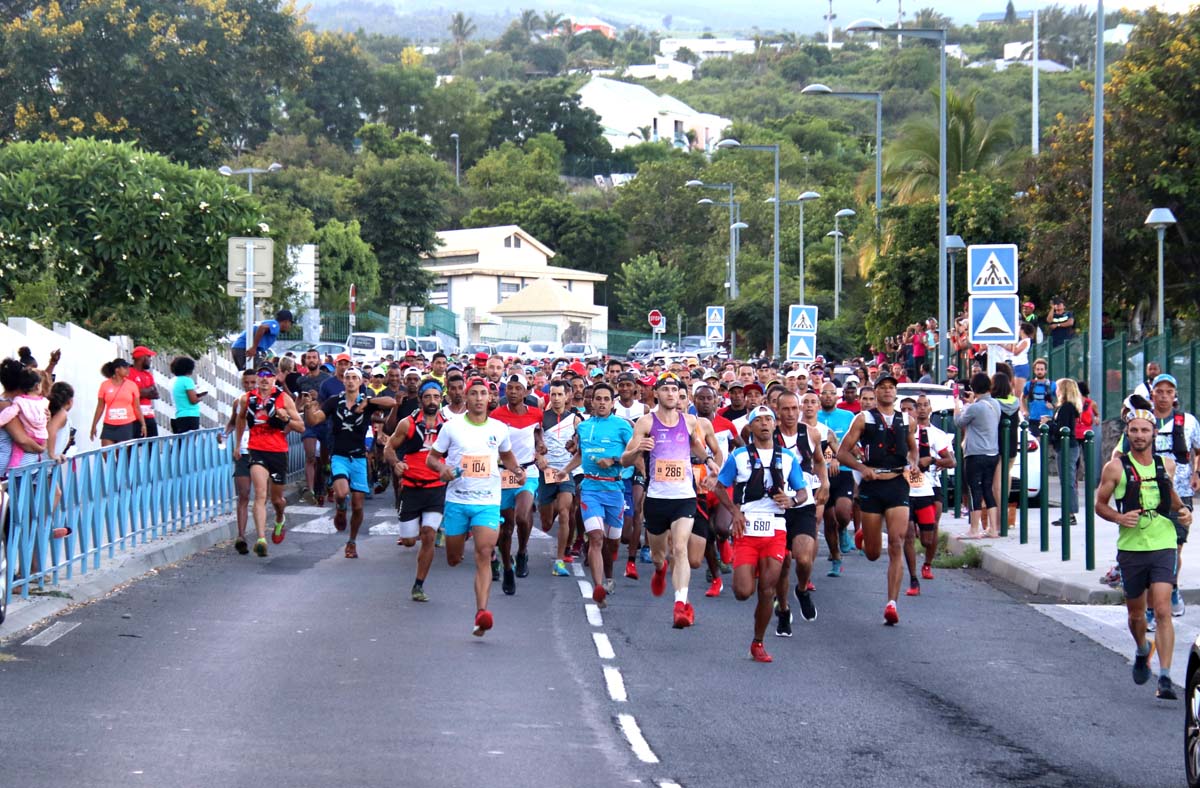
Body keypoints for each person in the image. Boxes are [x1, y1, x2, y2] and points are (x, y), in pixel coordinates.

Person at [1094, 407, 1193, 700]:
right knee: (1136, 615)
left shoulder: (1166, 465)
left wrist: (1184, 511)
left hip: (1163, 544)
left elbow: (1171, 497)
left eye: (1145, 430)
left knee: (1162, 609)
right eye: (1134, 430)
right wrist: (1119, 518)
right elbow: (1100, 503)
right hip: (1132, 548)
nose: (1139, 435)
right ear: (1128, 432)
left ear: (1154, 434)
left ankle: (1164, 677)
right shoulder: (1115, 467)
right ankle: (1141, 648)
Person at [708, 406, 809, 663]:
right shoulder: (739, 456)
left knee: (766, 590)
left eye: (768, 420)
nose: (765, 424)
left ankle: (758, 642)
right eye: (759, 420)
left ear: (774, 426)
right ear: (750, 428)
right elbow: (720, 487)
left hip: (775, 528)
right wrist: (734, 512)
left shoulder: (787, 458)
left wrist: (792, 501)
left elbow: (802, 493)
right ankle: (750, 570)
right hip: (747, 527)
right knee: (743, 592)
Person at [427, 377, 525, 637]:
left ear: (490, 399)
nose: (479, 398)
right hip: (458, 501)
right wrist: (442, 468)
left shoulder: (499, 428)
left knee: (484, 552)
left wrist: (516, 469)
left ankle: (482, 612)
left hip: (487, 502)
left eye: (484, 393)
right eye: (474, 394)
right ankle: (462, 541)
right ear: (466, 398)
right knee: (454, 558)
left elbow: (506, 454)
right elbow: (432, 458)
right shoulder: (451, 427)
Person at [621, 374, 717, 629]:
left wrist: (708, 461)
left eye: (675, 390)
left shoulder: (689, 421)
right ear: (656, 394)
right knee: (658, 555)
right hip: (657, 498)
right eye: (666, 390)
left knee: (680, 548)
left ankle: (679, 604)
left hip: (684, 497)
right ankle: (660, 569)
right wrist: (638, 448)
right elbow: (624, 460)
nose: (672, 394)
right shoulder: (645, 422)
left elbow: (696, 446)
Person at [1113, 374, 1200, 621]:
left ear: (1175, 397)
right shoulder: (1141, 422)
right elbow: (1119, 452)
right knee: (1152, 551)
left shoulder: (1188, 422)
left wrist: (1197, 473)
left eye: (1168, 392)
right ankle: (1152, 606)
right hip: (1144, 493)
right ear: (1152, 395)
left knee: (1175, 547)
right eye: (1159, 391)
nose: (1163, 396)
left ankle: (1170, 587)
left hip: (1179, 490)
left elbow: (1198, 449)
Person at [838, 374, 919, 625]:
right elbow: (841, 452)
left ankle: (891, 603)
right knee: (873, 553)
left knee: (897, 541)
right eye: (882, 388)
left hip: (897, 483)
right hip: (872, 485)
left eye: (891, 388)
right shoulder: (863, 419)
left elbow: (912, 447)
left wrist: (914, 464)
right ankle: (865, 536)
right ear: (875, 392)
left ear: (896, 393)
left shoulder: (907, 420)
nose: (887, 392)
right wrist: (862, 469)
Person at [302, 366, 396, 558]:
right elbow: (314, 420)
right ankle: (340, 508)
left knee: (358, 505)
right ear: (343, 381)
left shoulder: (366, 402)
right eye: (348, 378)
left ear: (361, 382)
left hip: (359, 457)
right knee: (342, 492)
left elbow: (392, 402)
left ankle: (351, 541)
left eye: (355, 378)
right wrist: (307, 407)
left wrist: (369, 401)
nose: (351, 381)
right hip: (339, 455)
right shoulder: (334, 401)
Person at [566, 382, 633, 608]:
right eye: (598, 399)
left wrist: (613, 461)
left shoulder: (622, 426)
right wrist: (564, 471)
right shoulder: (584, 428)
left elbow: (633, 456)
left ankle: (609, 575)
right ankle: (598, 587)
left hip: (615, 490)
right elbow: (580, 455)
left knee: (612, 543)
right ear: (592, 402)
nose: (602, 403)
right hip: (590, 489)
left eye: (606, 399)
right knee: (596, 537)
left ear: (612, 403)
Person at [384, 380, 447, 600]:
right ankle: (417, 526)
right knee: (410, 541)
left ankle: (418, 585)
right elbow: (389, 448)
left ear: (441, 399)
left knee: (428, 536)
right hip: (411, 489)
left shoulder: (447, 426)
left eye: (436, 397)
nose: (432, 401)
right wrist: (396, 464)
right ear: (420, 399)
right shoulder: (407, 424)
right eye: (428, 397)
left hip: (436, 489)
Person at [233, 363, 304, 556]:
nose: (264, 378)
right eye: (261, 374)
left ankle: (280, 518)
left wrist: (285, 418)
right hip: (256, 449)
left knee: (277, 499)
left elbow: (301, 427)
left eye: (268, 375)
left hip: (278, 451)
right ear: (257, 378)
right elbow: (240, 419)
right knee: (260, 494)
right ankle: (261, 539)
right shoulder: (247, 399)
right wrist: (238, 444)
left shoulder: (283, 398)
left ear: (275, 378)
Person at [770, 391, 827, 633]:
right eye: (786, 409)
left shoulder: (811, 433)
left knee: (803, 558)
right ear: (777, 410)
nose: (791, 414)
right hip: (776, 506)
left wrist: (825, 483)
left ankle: (802, 589)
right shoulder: (768, 434)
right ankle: (783, 609)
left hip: (803, 502)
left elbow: (819, 461)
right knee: (783, 564)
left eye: (795, 408)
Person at [490, 373, 545, 595]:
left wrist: (540, 446)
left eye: (517, 388)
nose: (512, 392)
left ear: (525, 392)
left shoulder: (536, 414)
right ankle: (506, 563)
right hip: (502, 472)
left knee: (522, 516)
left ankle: (522, 552)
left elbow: (538, 434)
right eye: (509, 388)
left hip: (527, 471)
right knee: (505, 528)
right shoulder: (496, 415)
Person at [907, 394, 954, 585]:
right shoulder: (906, 433)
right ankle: (912, 576)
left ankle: (927, 563)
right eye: (918, 406)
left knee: (931, 530)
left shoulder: (938, 435)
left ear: (930, 409)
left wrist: (934, 460)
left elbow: (952, 461)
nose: (922, 409)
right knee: (908, 532)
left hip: (932, 485)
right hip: (909, 486)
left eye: (925, 405)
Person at [540, 380, 582, 577]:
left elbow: (580, 446)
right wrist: (539, 457)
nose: (556, 399)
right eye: (553, 394)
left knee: (566, 513)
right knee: (547, 523)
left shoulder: (575, 420)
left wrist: (574, 447)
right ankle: (554, 506)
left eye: (560, 395)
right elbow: (534, 443)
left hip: (565, 472)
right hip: (546, 473)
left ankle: (559, 561)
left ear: (567, 397)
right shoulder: (540, 418)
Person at [955, 372, 1002, 539]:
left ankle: (974, 529)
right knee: (987, 489)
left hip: (975, 453)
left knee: (974, 489)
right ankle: (993, 528)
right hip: (992, 453)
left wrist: (958, 404)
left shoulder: (974, 407)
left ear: (973, 388)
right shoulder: (995, 404)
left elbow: (959, 421)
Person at [295, 349, 332, 504]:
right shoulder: (301, 381)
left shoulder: (327, 379)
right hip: (309, 423)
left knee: (324, 460)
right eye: (308, 357)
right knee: (310, 457)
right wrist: (299, 407)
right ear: (305, 361)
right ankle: (310, 491)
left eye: (314, 357)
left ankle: (325, 486)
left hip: (324, 421)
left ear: (319, 360)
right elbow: (297, 404)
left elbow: (332, 403)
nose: (311, 360)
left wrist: (319, 399)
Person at [1048, 378, 1084, 527]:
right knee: (1067, 481)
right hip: (1066, 447)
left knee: (1068, 481)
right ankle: (1068, 513)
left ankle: (1069, 514)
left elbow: (1062, 429)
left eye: (1058, 388)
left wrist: (1048, 424)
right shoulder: (1068, 407)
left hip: (1067, 447)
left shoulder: (1066, 407)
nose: (1055, 391)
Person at [91, 358, 146, 446]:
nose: (128, 370)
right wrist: (94, 425)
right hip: (109, 425)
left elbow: (137, 407)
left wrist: (143, 424)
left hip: (126, 424)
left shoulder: (132, 385)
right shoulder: (105, 385)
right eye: (125, 368)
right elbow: (100, 407)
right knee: (107, 454)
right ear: (117, 369)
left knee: (121, 455)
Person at [128, 346, 160, 437]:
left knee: (153, 445)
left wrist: (141, 392)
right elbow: (131, 394)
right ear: (142, 357)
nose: (150, 360)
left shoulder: (148, 374)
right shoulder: (129, 372)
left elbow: (156, 394)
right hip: (134, 416)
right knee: (131, 446)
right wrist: (148, 391)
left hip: (149, 415)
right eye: (149, 357)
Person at [169, 356, 205, 434]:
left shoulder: (174, 381)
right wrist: (200, 397)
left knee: (181, 444)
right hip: (190, 416)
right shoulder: (187, 381)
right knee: (190, 443)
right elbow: (193, 400)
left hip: (178, 415)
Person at [1023, 359, 1056, 424]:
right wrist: (1024, 410)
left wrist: (1054, 405)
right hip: (1033, 419)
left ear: (1045, 371)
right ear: (1034, 371)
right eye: (1037, 369)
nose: (1039, 372)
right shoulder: (1029, 384)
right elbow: (1022, 397)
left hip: (1048, 419)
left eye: (1042, 369)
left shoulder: (1053, 385)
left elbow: (1061, 399)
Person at [1007, 323, 1034, 396]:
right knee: (1012, 390)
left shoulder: (1026, 341)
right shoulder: (1022, 341)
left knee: (1018, 393)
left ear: (1022, 330)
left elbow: (1015, 352)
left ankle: (1021, 406)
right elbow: (1012, 350)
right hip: (1015, 366)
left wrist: (1014, 342)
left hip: (1021, 366)